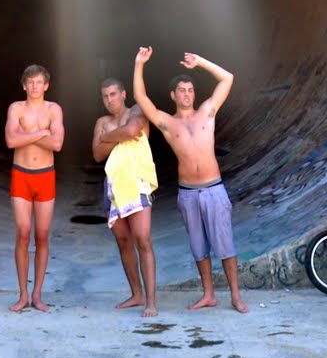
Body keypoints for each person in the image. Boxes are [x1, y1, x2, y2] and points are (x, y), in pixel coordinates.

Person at [132, 46, 248, 313]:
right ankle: (208, 294)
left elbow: (227, 78)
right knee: (198, 247)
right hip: (188, 193)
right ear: (173, 95)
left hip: (213, 189)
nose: (187, 94)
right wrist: (139, 64)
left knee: (225, 244)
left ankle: (235, 296)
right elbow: (140, 97)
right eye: (182, 91)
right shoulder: (166, 123)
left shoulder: (207, 111)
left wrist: (200, 62)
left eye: (190, 90)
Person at [92, 77, 159, 317]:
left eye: (113, 94)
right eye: (105, 96)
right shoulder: (102, 121)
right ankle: (136, 294)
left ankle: (151, 302)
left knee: (143, 239)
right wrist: (118, 136)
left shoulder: (137, 110)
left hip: (136, 182)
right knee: (123, 240)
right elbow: (97, 154)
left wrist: (107, 136)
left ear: (123, 94)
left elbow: (132, 130)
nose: (109, 99)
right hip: (113, 184)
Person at [5, 64, 63, 312]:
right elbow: (11, 141)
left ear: (46, 85)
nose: (35, 86)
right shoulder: (16, 108)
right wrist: (42, 133)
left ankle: (37, 295)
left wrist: (26, 135)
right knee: (23, 232)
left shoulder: (54, 109)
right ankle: (22, 294)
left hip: (45, 175)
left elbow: (57, 144)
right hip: (21, 174)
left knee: (42, 235)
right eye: (31, 82)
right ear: (24, 85)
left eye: (39, 82)